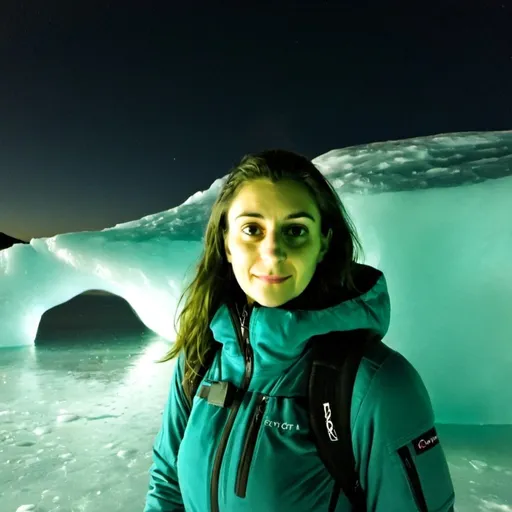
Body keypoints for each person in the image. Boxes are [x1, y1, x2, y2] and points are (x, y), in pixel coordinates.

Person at [143, 149, 455, 511]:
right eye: (252, 229)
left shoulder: (375, 387)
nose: (272, 253)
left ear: (323, 243)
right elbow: (167, 486)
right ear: (226, 241)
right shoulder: (200, 358)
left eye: (295, 230)